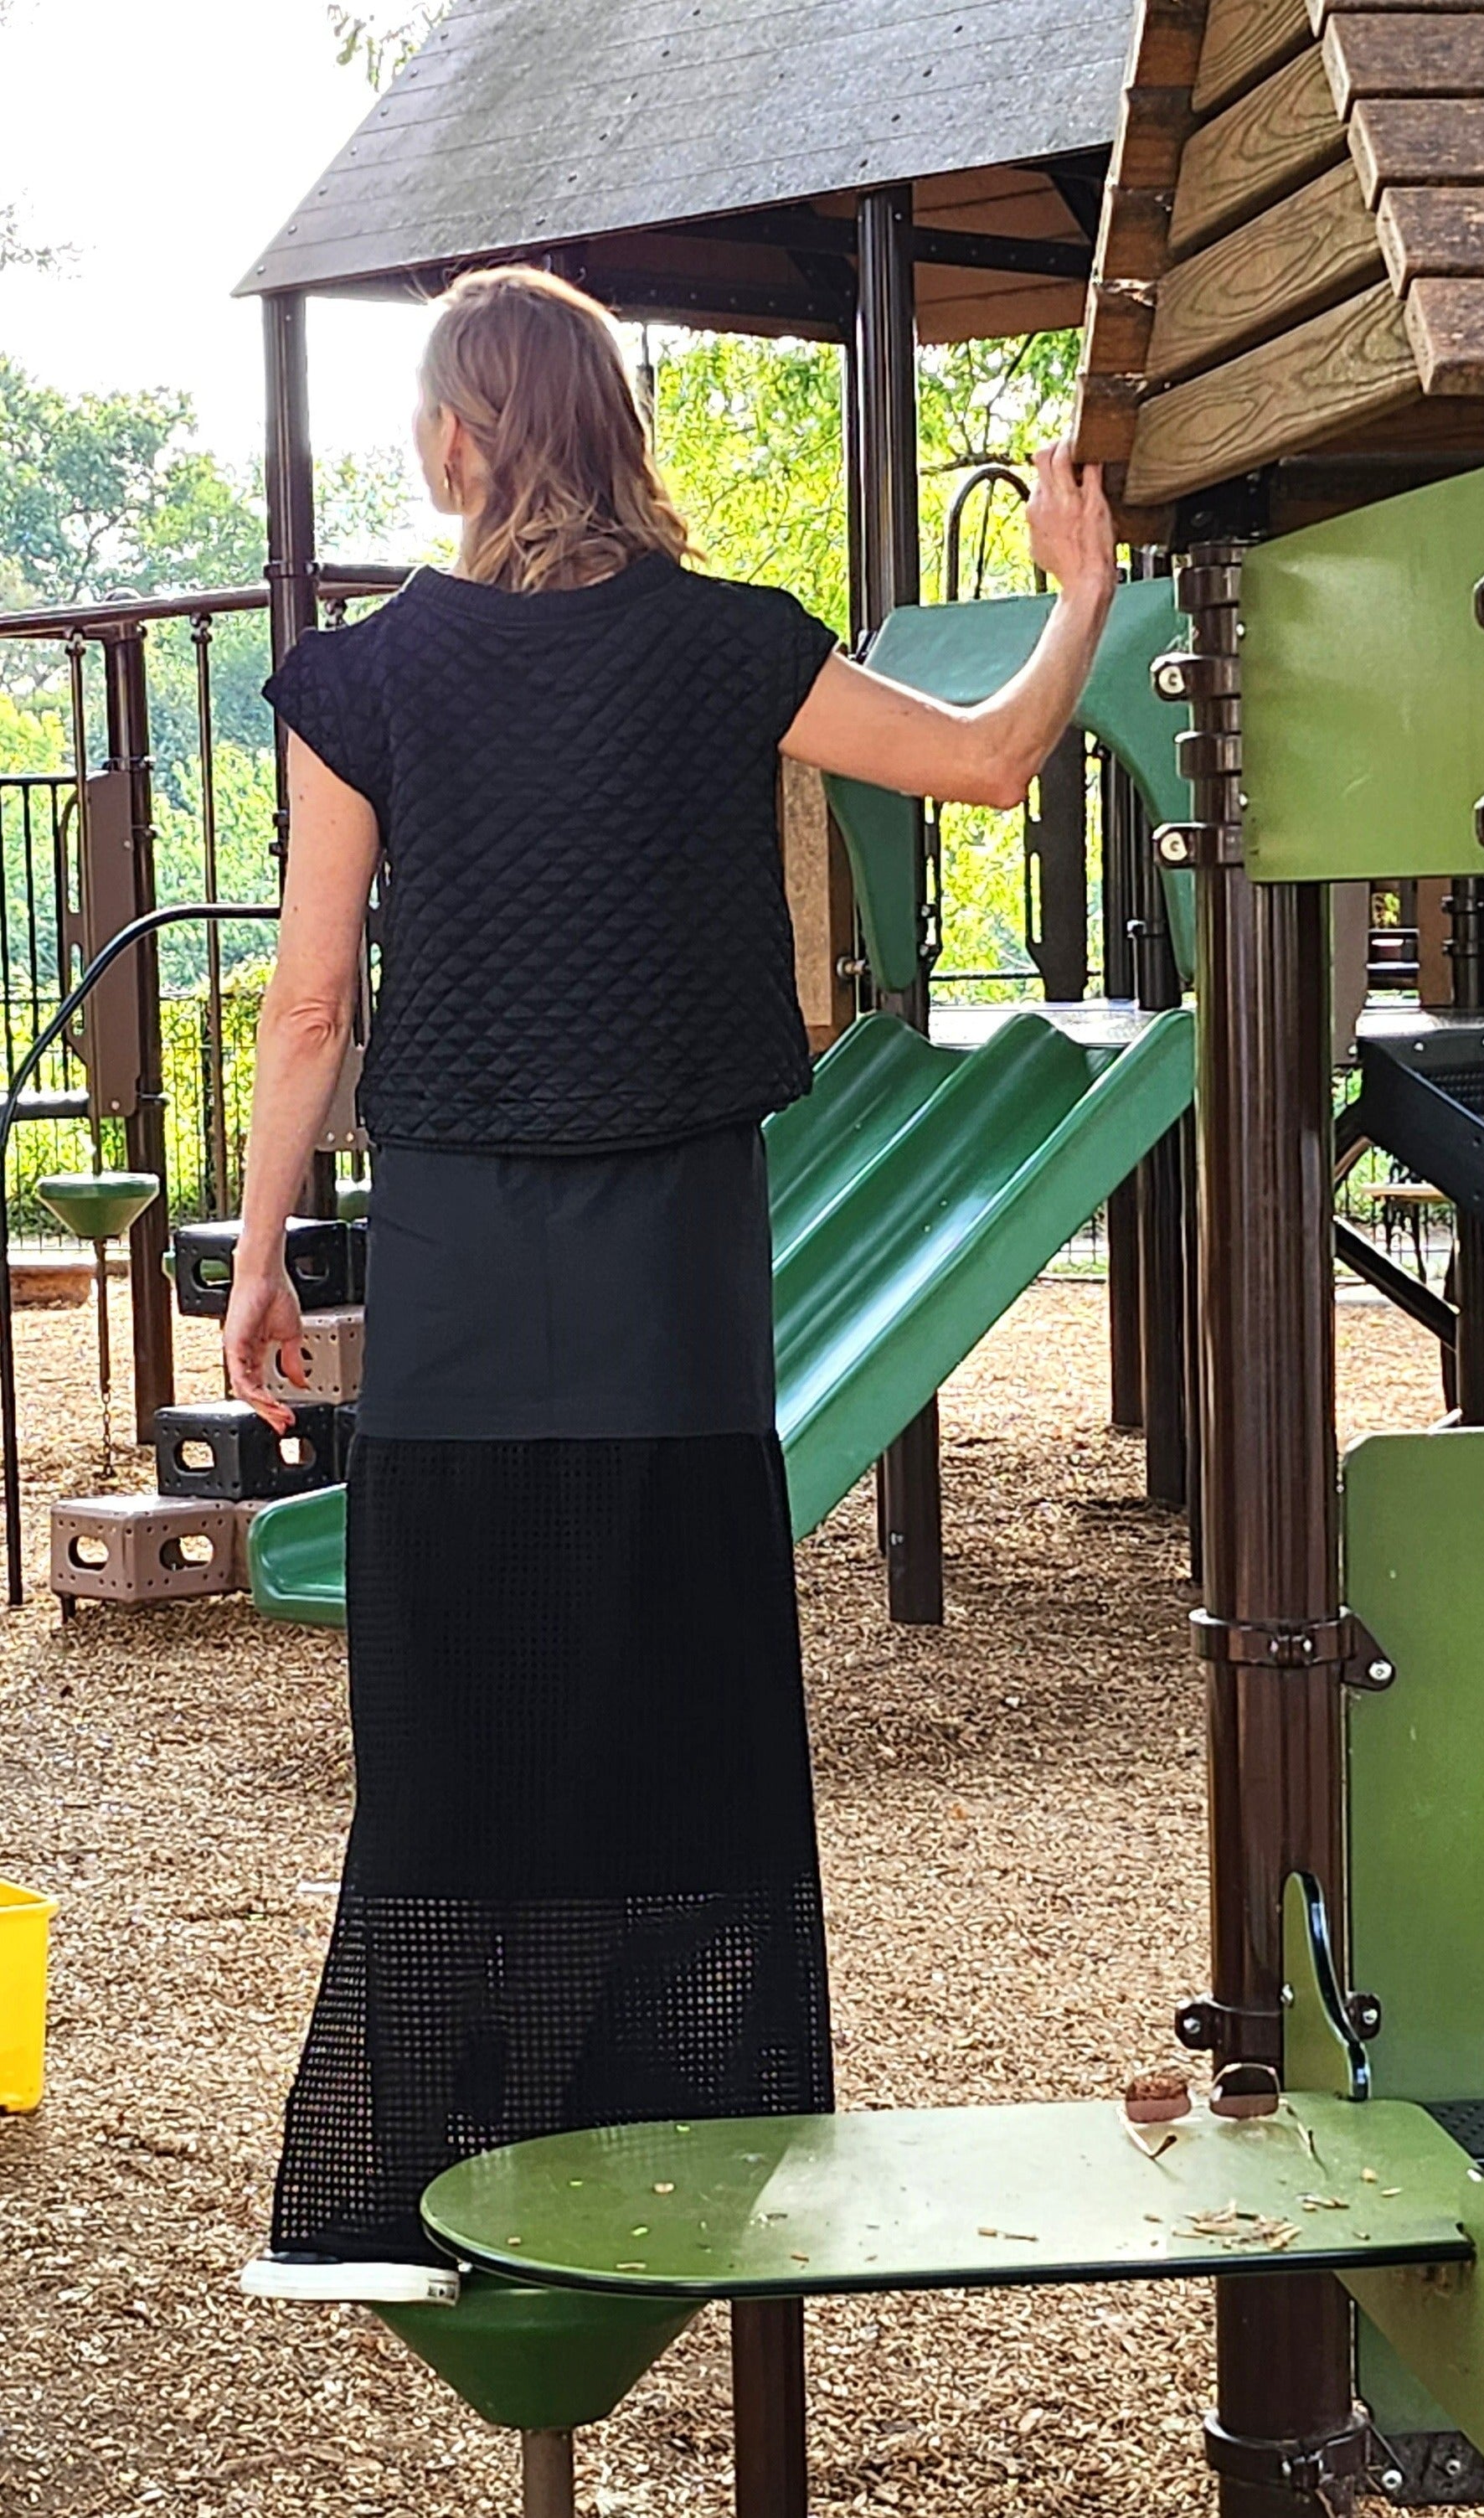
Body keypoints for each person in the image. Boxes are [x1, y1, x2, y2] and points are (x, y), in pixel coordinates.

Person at [226, 264, 1116, 2305]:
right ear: (610, 433)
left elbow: (309, 1005)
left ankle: (408, 2192)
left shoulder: (366, 679)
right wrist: (1072, 594)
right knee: (674, 1665)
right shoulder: (733, 645)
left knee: (458, 1682)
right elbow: (989, 763)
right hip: (672, 1255)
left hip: (454, 1247)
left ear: (456, 439)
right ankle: (700, 2144)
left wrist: (266, 1250)